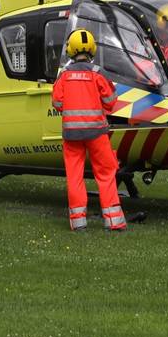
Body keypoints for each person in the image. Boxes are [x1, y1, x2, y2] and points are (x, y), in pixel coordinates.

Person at [51, 28, 127, 232]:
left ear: (70, 49)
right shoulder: (98, 73)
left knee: (74, 175)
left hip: (72, 135)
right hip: (97, 133)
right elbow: (111, 102)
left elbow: (57, 103)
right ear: (92, 48)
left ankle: (78, 222)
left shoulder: (64, 75)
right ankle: (113, 221)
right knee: (105, 173)